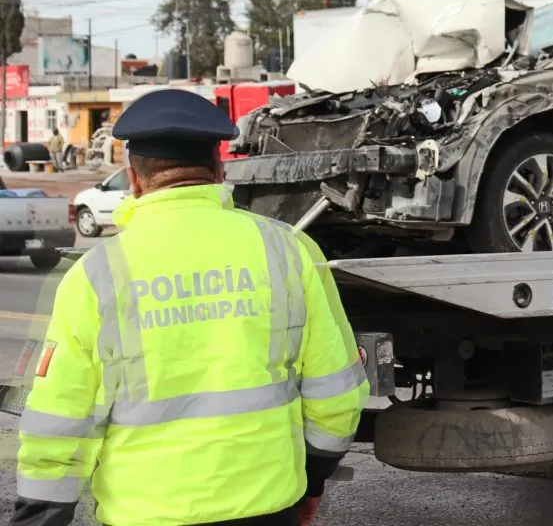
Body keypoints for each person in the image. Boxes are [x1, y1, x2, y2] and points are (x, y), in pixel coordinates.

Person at [10, 88, 368, 526]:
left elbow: (59, 417)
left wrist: (42, 514)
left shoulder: (96, 273)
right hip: (267, 507)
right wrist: (312, 484)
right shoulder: (288, 250)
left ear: (134, 179)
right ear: (219, 169)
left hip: (145, 514)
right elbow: (338, 393)